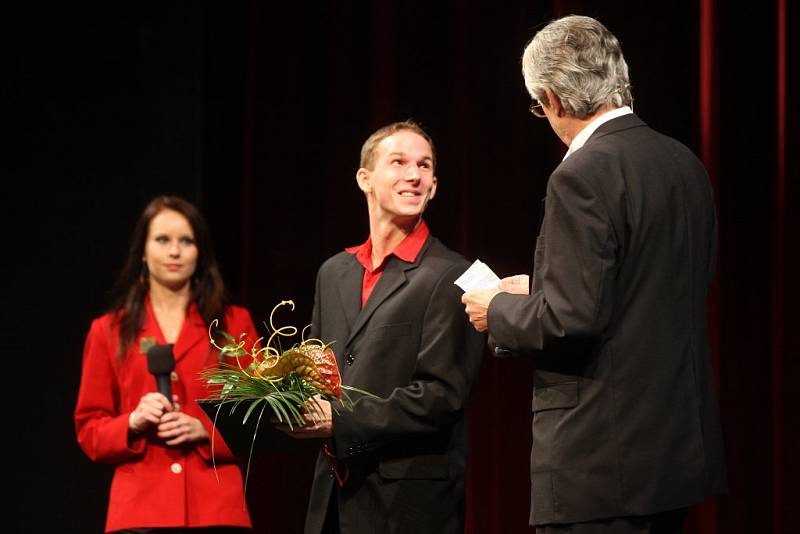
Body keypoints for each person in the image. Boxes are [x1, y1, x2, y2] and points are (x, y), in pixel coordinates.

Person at [461, 15, 727, 534]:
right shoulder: (684, 163)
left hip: (601, 461)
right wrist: (537, 292)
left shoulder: (582, 172)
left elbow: (570, 318)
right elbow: (641, 292)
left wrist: (496, 308)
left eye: (539, 107)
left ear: (553, 99)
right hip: (673, 456)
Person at [279, 120, 485, 534]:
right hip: (333, 501)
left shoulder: (451, 275)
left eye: (424, 166)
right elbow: (320, 373)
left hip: (407, 507)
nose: (414, 175)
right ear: (365, 179)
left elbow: (441, 396)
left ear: (435, 185)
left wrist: (340, 418)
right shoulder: (333, 273)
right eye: (399, 162)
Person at [75, 196, 257, 533]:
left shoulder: (233, 323)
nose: (175, 252)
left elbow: (260, 416)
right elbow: (89, 430)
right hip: (139, 512)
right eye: (162, 240)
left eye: (186, 241)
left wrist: (207, 430)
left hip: (217, 509)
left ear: (199, 252)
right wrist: (133, 420)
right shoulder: (109, 331)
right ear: (143, 251)